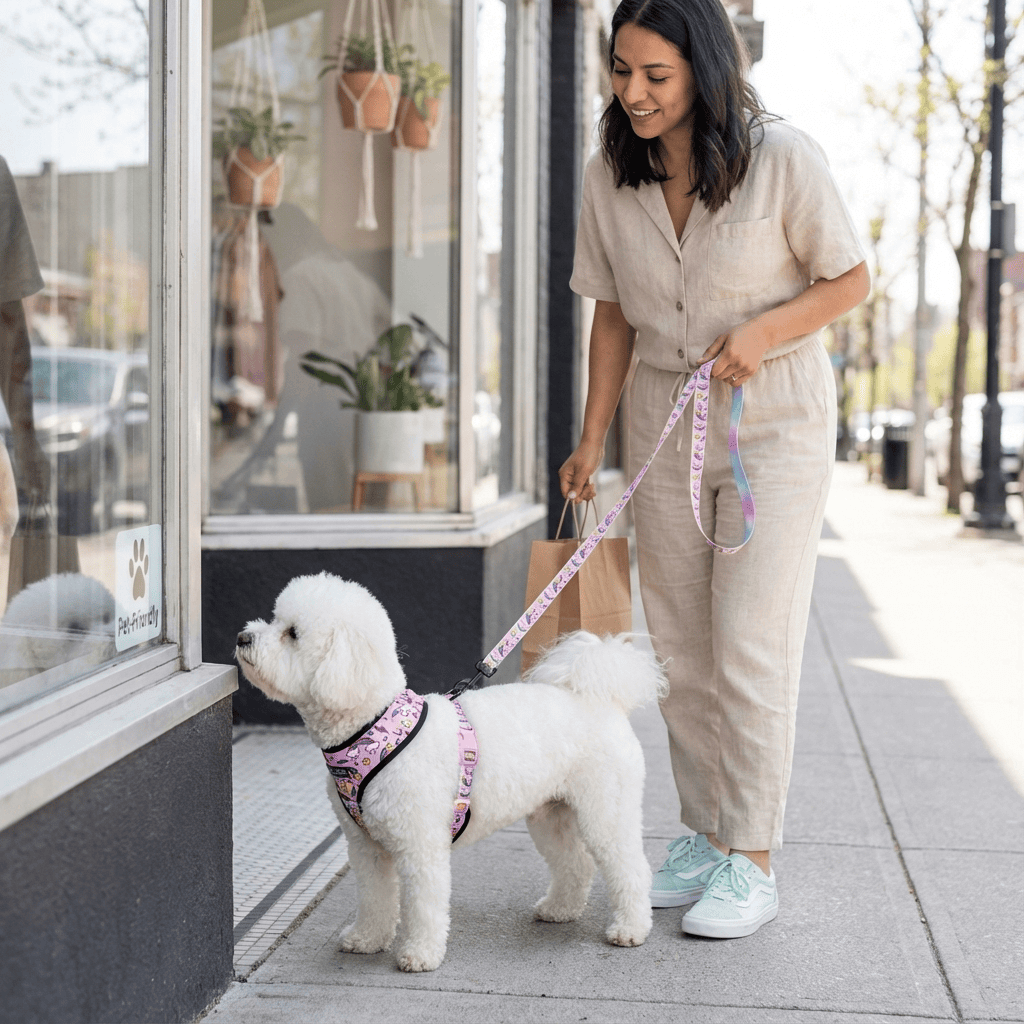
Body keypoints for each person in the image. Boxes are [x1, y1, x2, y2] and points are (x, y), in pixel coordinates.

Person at [560, 0, 870, 939]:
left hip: (771, 420)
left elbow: (850, 278)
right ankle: (700, 833)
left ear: (703, 67)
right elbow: (611, 312)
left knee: (749, 645)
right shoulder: (609, 173)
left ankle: (753, 857)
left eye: (656, 74)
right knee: (682, 650)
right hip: (662, 415)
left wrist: (766, 332)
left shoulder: (784, 157)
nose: (634, 92)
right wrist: (590, 438)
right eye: (621, 70)